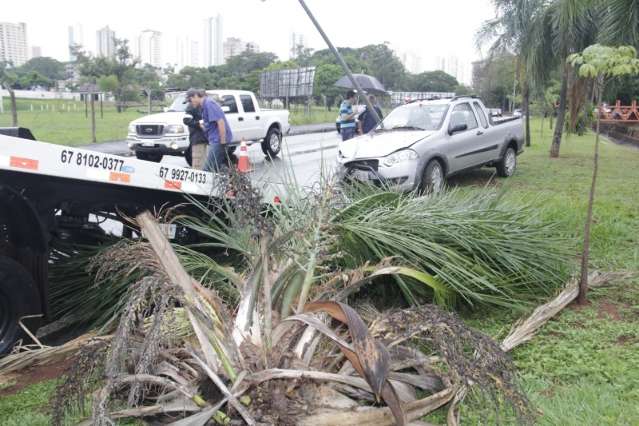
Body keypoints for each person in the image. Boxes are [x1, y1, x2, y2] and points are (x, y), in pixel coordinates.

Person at [185, 88, 233, 172]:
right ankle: (227, 181)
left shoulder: (209, 103)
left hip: (218, 140)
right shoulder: (203, 106)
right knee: (216, 167)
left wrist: (222, 141)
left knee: (208, 170)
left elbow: (220, 121)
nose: (190, 103)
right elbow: (210, 124)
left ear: (195, 96)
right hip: (214, 140)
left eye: (190, 100)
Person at [183, 102, 207, 169]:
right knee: (198, 163)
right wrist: (199, 123)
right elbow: (186, 120)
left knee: (200, 162)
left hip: (200, 138)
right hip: (199, 138)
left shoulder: (196, 105)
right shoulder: (193, 105)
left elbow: (186, 120)